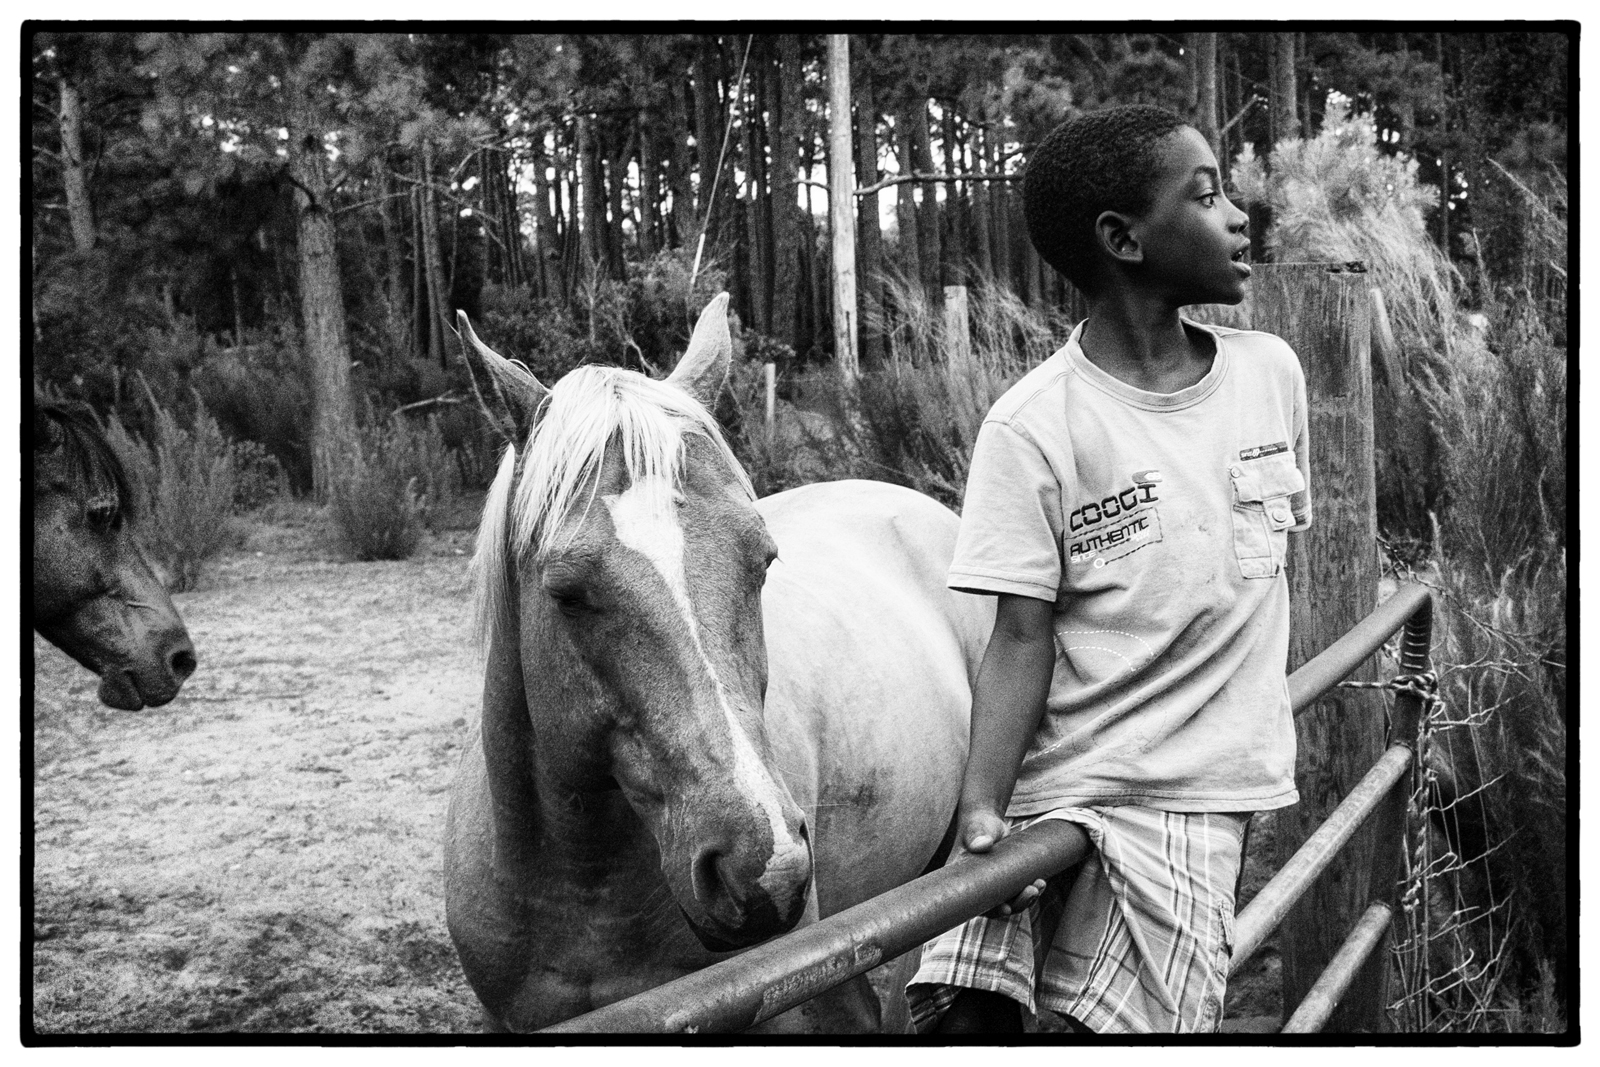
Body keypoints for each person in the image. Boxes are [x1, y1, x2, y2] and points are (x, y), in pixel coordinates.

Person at [907, 104, 1312, 1036]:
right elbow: (1020, 635)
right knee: (968, 1020)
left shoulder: (1269, 376)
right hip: (1061, 793)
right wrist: (980, 815)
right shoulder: (1032, 426)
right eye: (1207, 196)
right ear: (1122, 238)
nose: (1239, 215)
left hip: (1197, 798)